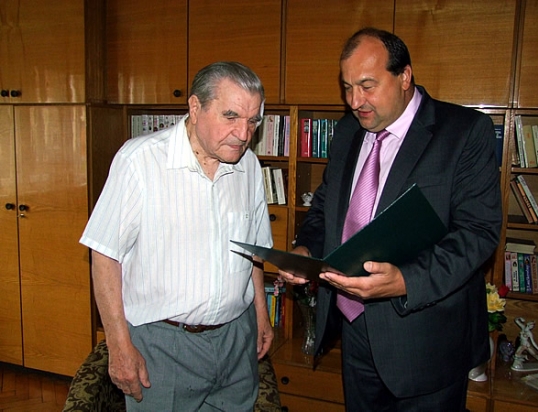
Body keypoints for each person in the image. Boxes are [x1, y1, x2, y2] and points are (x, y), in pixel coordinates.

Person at [278, 27, 502, 411]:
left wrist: (405, 281)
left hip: (427, 339)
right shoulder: (347, 131)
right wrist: (306, 250)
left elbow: (477, 233)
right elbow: (327, 207)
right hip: (355, 330)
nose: (355, 101)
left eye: (367, 86)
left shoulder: (464, 132)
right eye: (347, 88)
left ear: (404, 76)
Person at [80, 61, 274, 411]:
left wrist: (261, 312)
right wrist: (119, 347)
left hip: (236, 338)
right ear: (195, 107)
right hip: (163, 345)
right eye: (231, 116)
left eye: (253, 121)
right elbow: (105, 255)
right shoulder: (139, 161)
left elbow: (253, 250)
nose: (244, 134)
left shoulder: (249, 166)